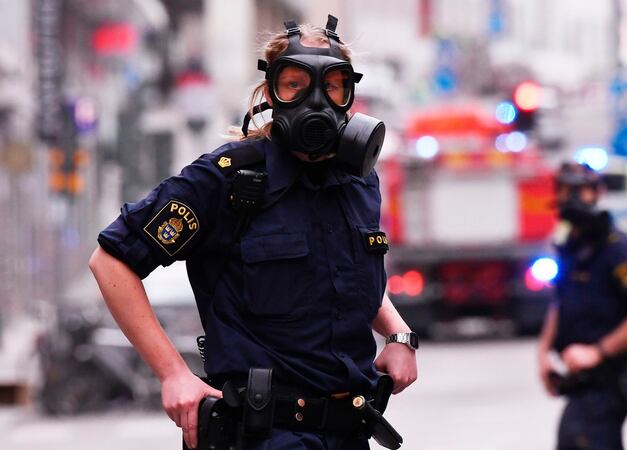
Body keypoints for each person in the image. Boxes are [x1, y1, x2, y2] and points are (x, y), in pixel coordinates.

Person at [88, 16, 417, 450]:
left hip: (347, 433)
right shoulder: (227, 180)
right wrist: (172, 373)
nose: (315, 99)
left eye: (333, 86)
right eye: (295, 84)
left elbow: (347, 273)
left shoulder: (359, 182)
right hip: (262, 435)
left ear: (349, 96)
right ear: (270, 94)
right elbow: (111, 260)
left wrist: (397, 333)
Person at [537, 162, 627, 450]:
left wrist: (598, 351)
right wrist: (544, 353)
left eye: (579, 189)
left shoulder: (616, 250)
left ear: (597, 193)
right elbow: (561, 301)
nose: (570, 197)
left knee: (582, 435)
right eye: (564, 189)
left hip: (612, 380)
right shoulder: (573, 246)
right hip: (582, 384)